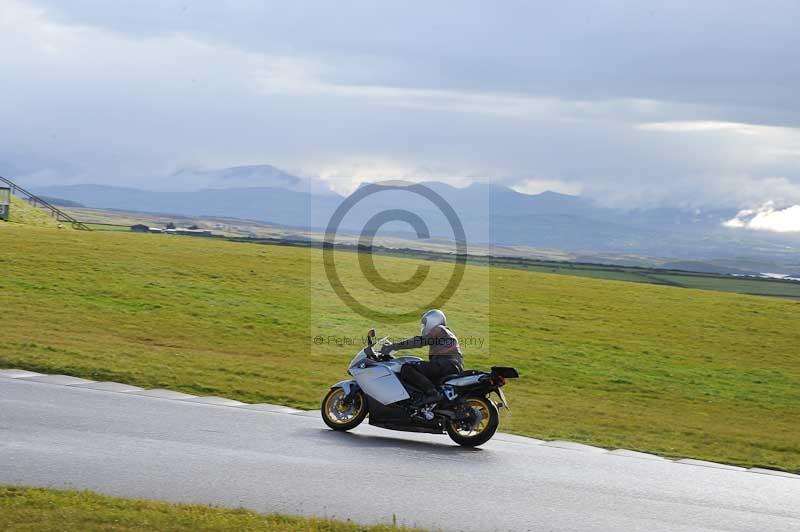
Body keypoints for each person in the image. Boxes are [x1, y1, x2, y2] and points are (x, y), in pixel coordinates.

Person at [381, 309, 463, 405]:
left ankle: (432, 394)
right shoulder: (445, 333)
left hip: (445, 365)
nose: (423, 326)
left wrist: (394, 346)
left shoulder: (439, 329)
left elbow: (419, 341)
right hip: (449, 366)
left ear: (433, 320)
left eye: (425, 323)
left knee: (407, 368)